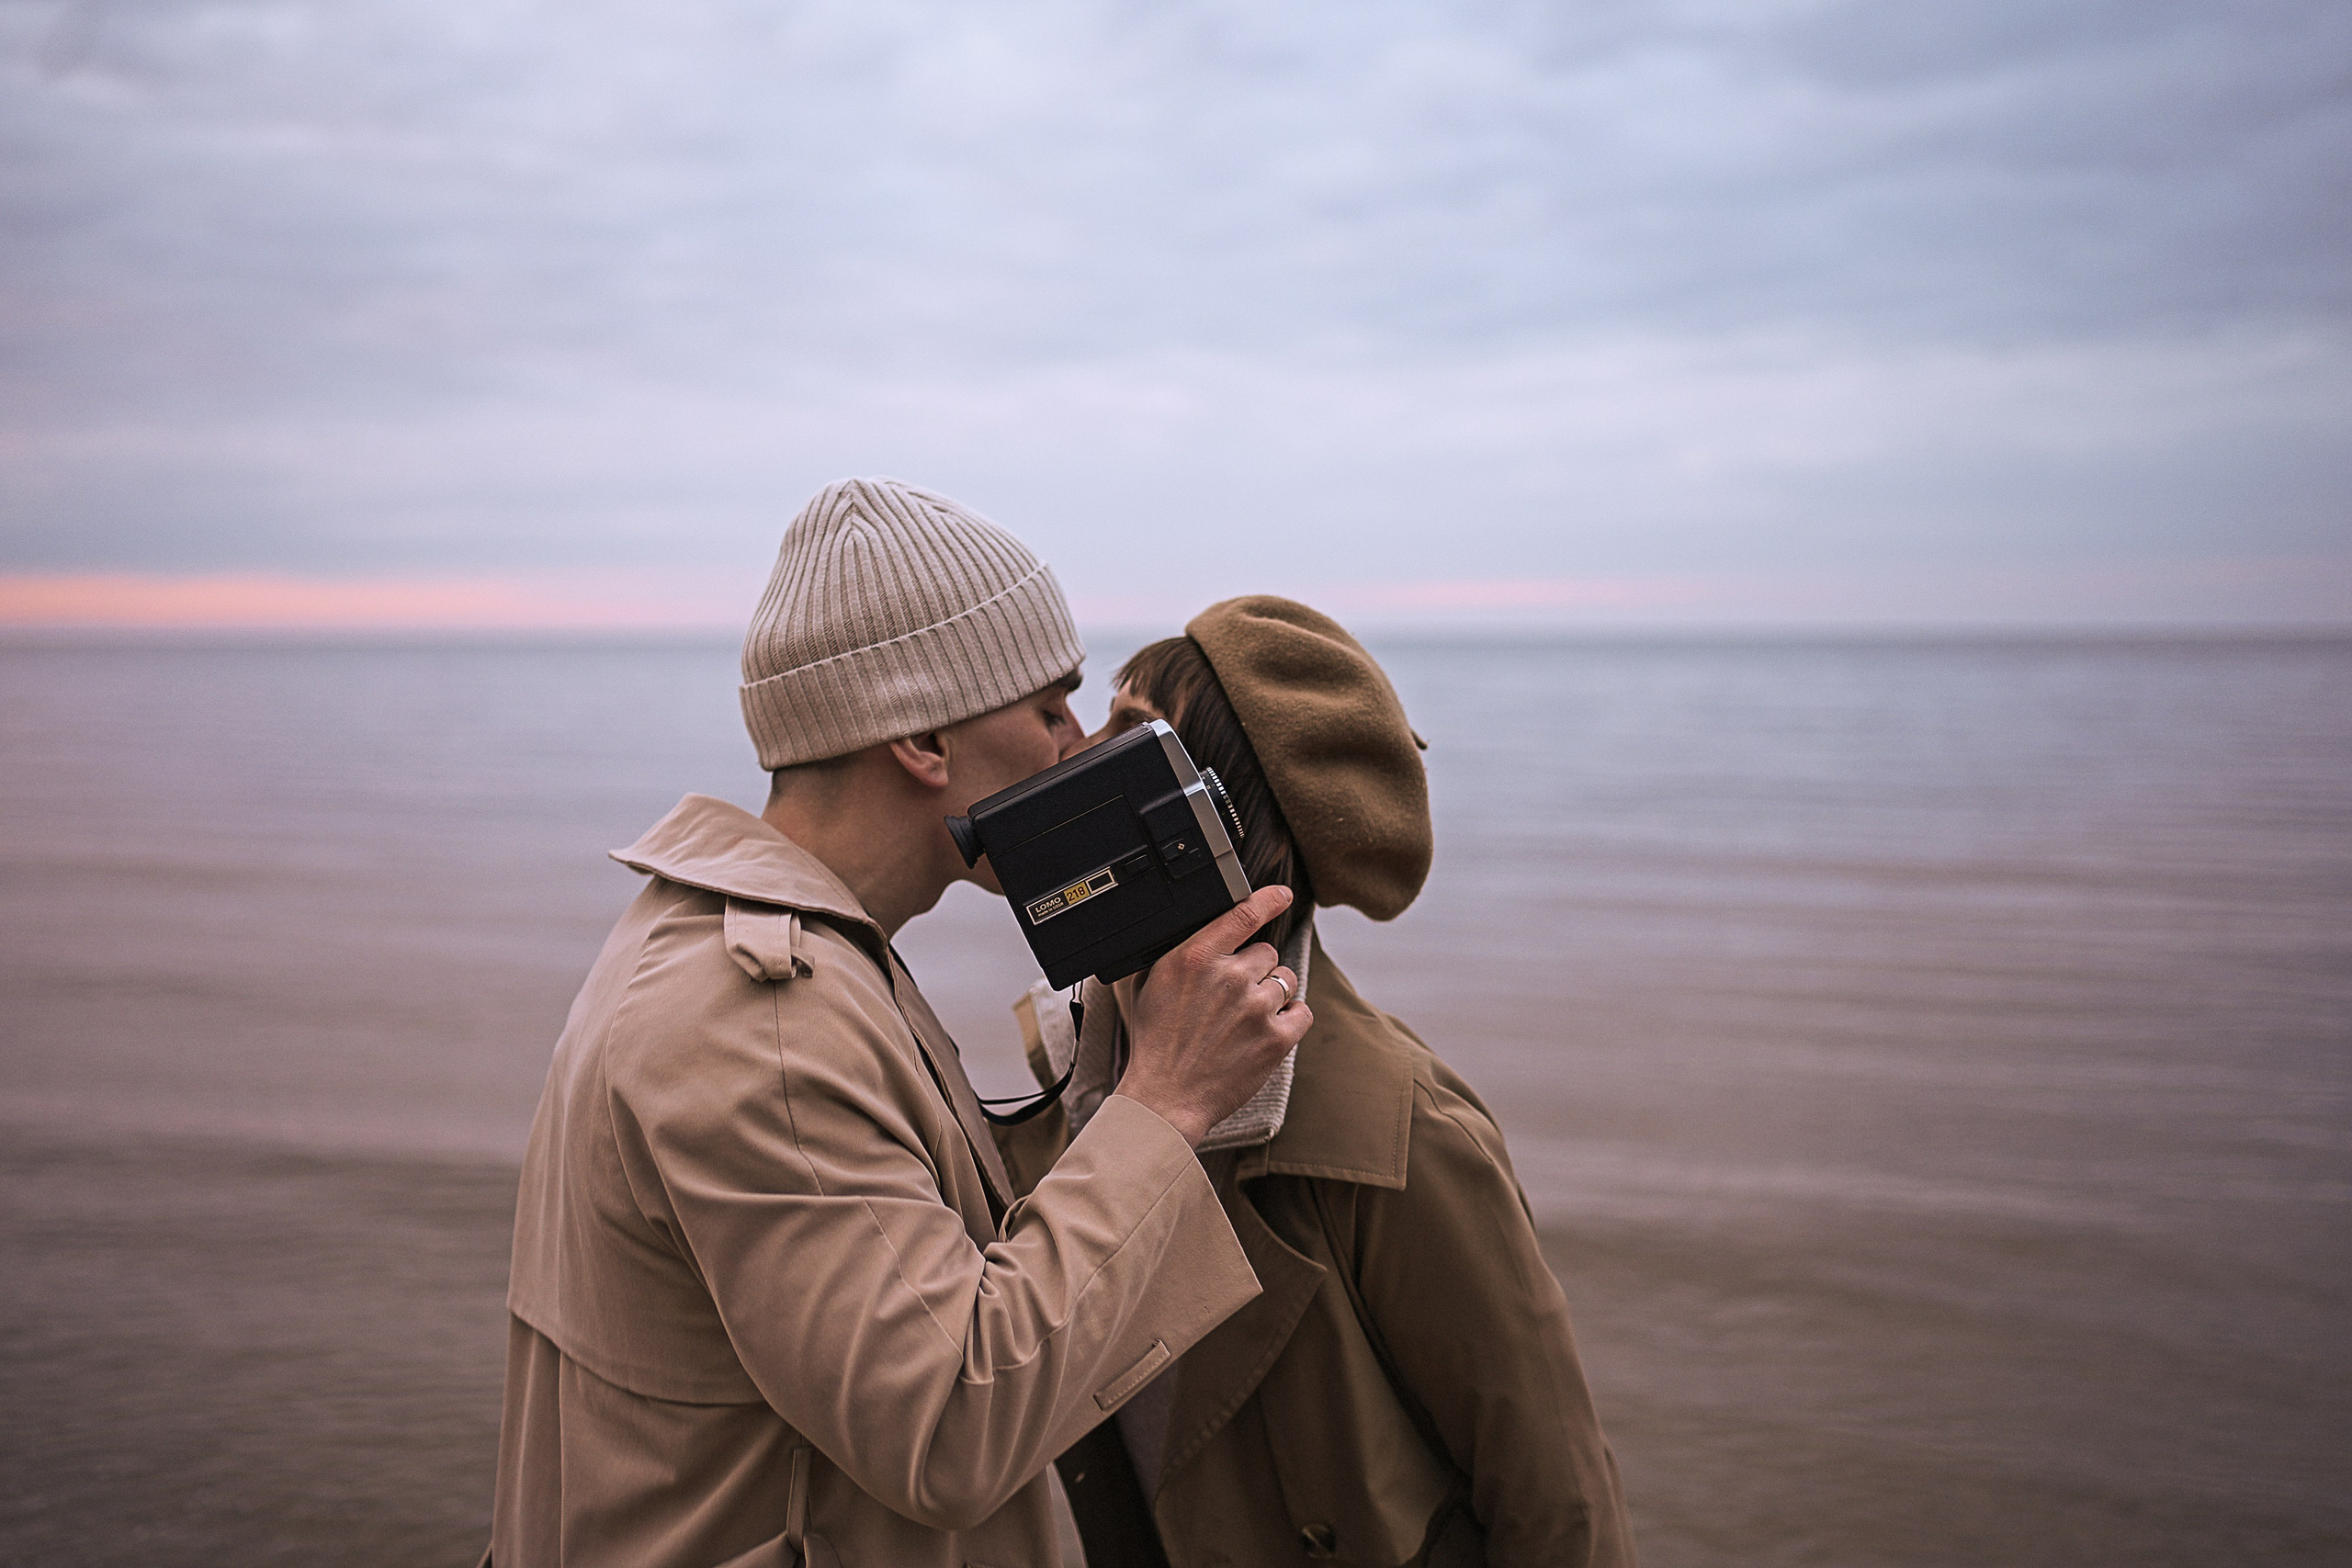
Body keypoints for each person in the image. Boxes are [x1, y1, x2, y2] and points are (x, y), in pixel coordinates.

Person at [487, 480, 1311, 1568]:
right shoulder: (762, 1025)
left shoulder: (731, 940)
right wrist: (1167, 1097)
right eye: (1049, 706)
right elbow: (949, 1429)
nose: (1074, 745)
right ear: (922, 735)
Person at [994, 596, 1636, 1568]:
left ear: (1213, 817)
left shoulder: (1400, 1132)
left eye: (1127, 738)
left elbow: (1556, 1506)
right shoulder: (1071, 1087)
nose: (1074, 753)